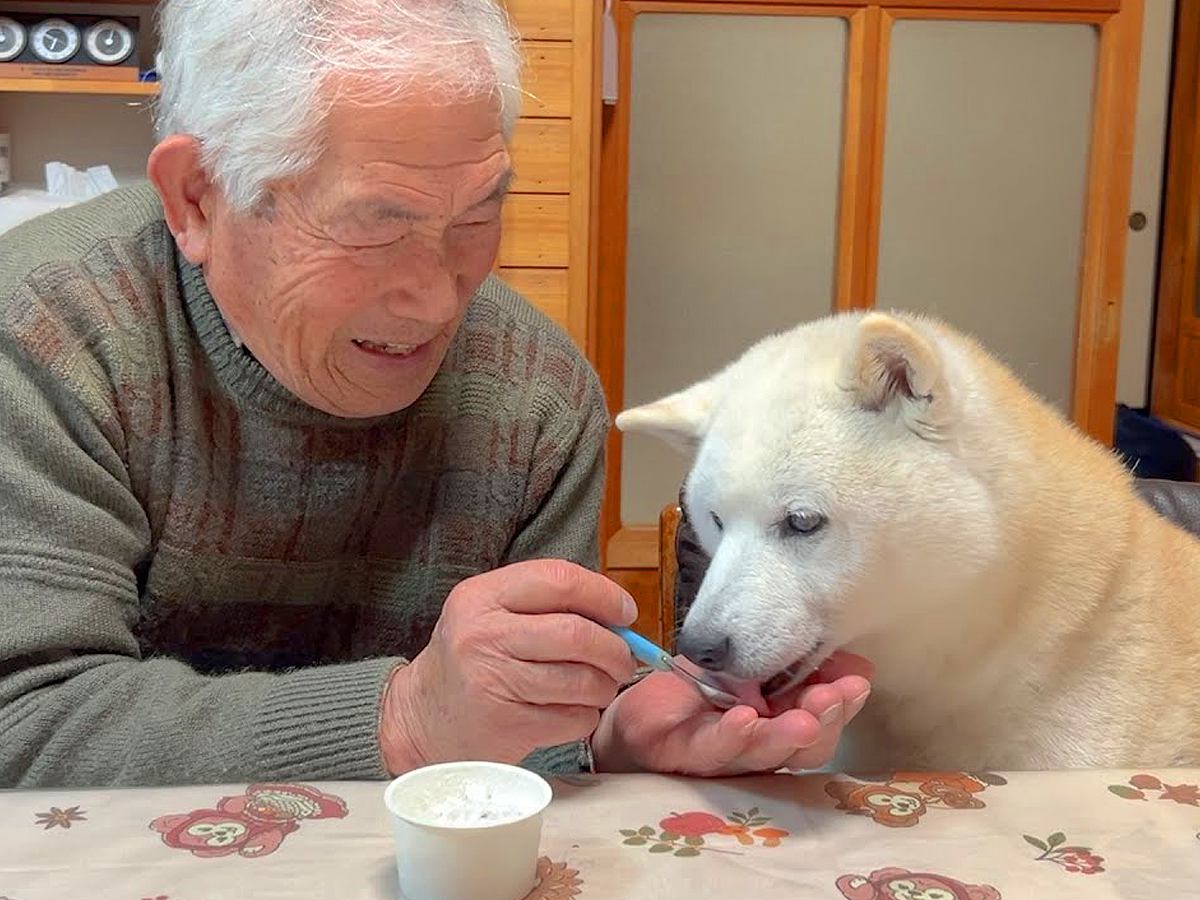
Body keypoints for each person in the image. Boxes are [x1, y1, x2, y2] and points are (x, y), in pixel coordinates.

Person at [0, 0, 872, 788]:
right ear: (196, 198)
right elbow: (21, 724)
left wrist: (609, 742)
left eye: (475, 218)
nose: (438, 300)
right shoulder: (45, 337)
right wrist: (406, 719)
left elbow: (519, 751)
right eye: (374, 227)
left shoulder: (536, 396)